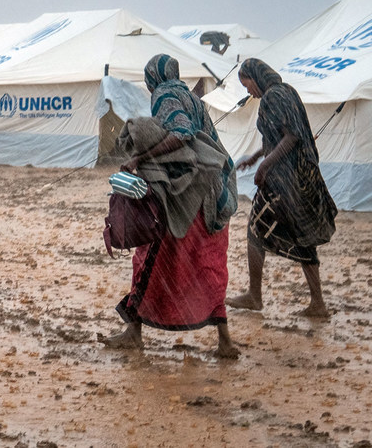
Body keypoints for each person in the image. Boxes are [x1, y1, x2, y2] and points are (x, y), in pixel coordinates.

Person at [103, 54, 239, 358]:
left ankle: (133, 333)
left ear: (153, 77)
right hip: (212, 195)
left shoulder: (165, 95)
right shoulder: (192, 97)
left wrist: (138, 158)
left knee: (149, 259)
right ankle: (225, 341)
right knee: (208, 265)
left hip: (186, 198)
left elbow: (181, 133)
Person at [226, 58, 337, 318]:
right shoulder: (287, 92)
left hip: (285, 181)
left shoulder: (272, 98)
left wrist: (264, 166)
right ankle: (316, 302)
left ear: (256, 77)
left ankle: (255, 296)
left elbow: (291, 137)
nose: (248, 91)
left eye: (247, 84)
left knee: (256, 230)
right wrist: (256, 157)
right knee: (301, 235)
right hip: (300, 178)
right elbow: (279, 137)